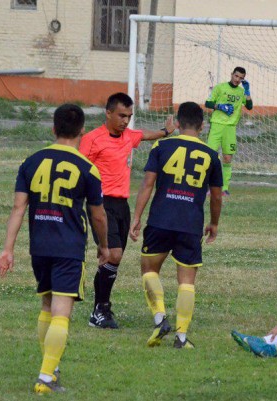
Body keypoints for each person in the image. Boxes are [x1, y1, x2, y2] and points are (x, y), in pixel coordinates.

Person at [0, 104, 109, 393]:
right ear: (82, 131)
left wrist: (7, 249)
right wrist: (104, 246)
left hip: (40, 247)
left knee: (47, 306)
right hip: (68, 247)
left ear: (53, 129)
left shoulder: (31, 161)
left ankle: (51, 367)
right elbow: (98, 214)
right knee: (62, 312)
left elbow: (18, 208)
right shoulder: (88, 168)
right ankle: (45, 378)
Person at [129, 101, 223, 348]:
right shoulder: (211, 155)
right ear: (202, 127)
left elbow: (148, 184)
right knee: (187, 280)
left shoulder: (162, 145)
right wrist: (214, 223)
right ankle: (181, 337)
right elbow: (216, 195)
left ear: (178, 123)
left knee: (149, 268)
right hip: (190, 223)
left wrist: (137, 216)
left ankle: (160, 318)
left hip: (161, 219)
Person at [79, 92, 175, 329]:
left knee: (113, 258)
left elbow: (143, 135)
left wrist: (165, 132)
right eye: (121, 115)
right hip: (100, 204)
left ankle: (100, 309)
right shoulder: (92, 139)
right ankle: (100, 309)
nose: (125, 121)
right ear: (108, 113)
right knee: (113, 255)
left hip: (121, 205)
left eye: (129, 116)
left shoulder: (128, 136)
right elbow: (78, 169)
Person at [205, 66, 253, 196]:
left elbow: (249, 106)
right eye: (236, 76)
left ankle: (224, 188)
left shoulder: (241, 92)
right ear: (232, 74)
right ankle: (207, 187)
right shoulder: (220, 87)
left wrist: (247, 92)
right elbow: (208, 103)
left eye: (241, 78)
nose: (237, 79)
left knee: (227, 158)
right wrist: (219, 106)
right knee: (210, 157)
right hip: (217, 125)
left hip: (230, 128)